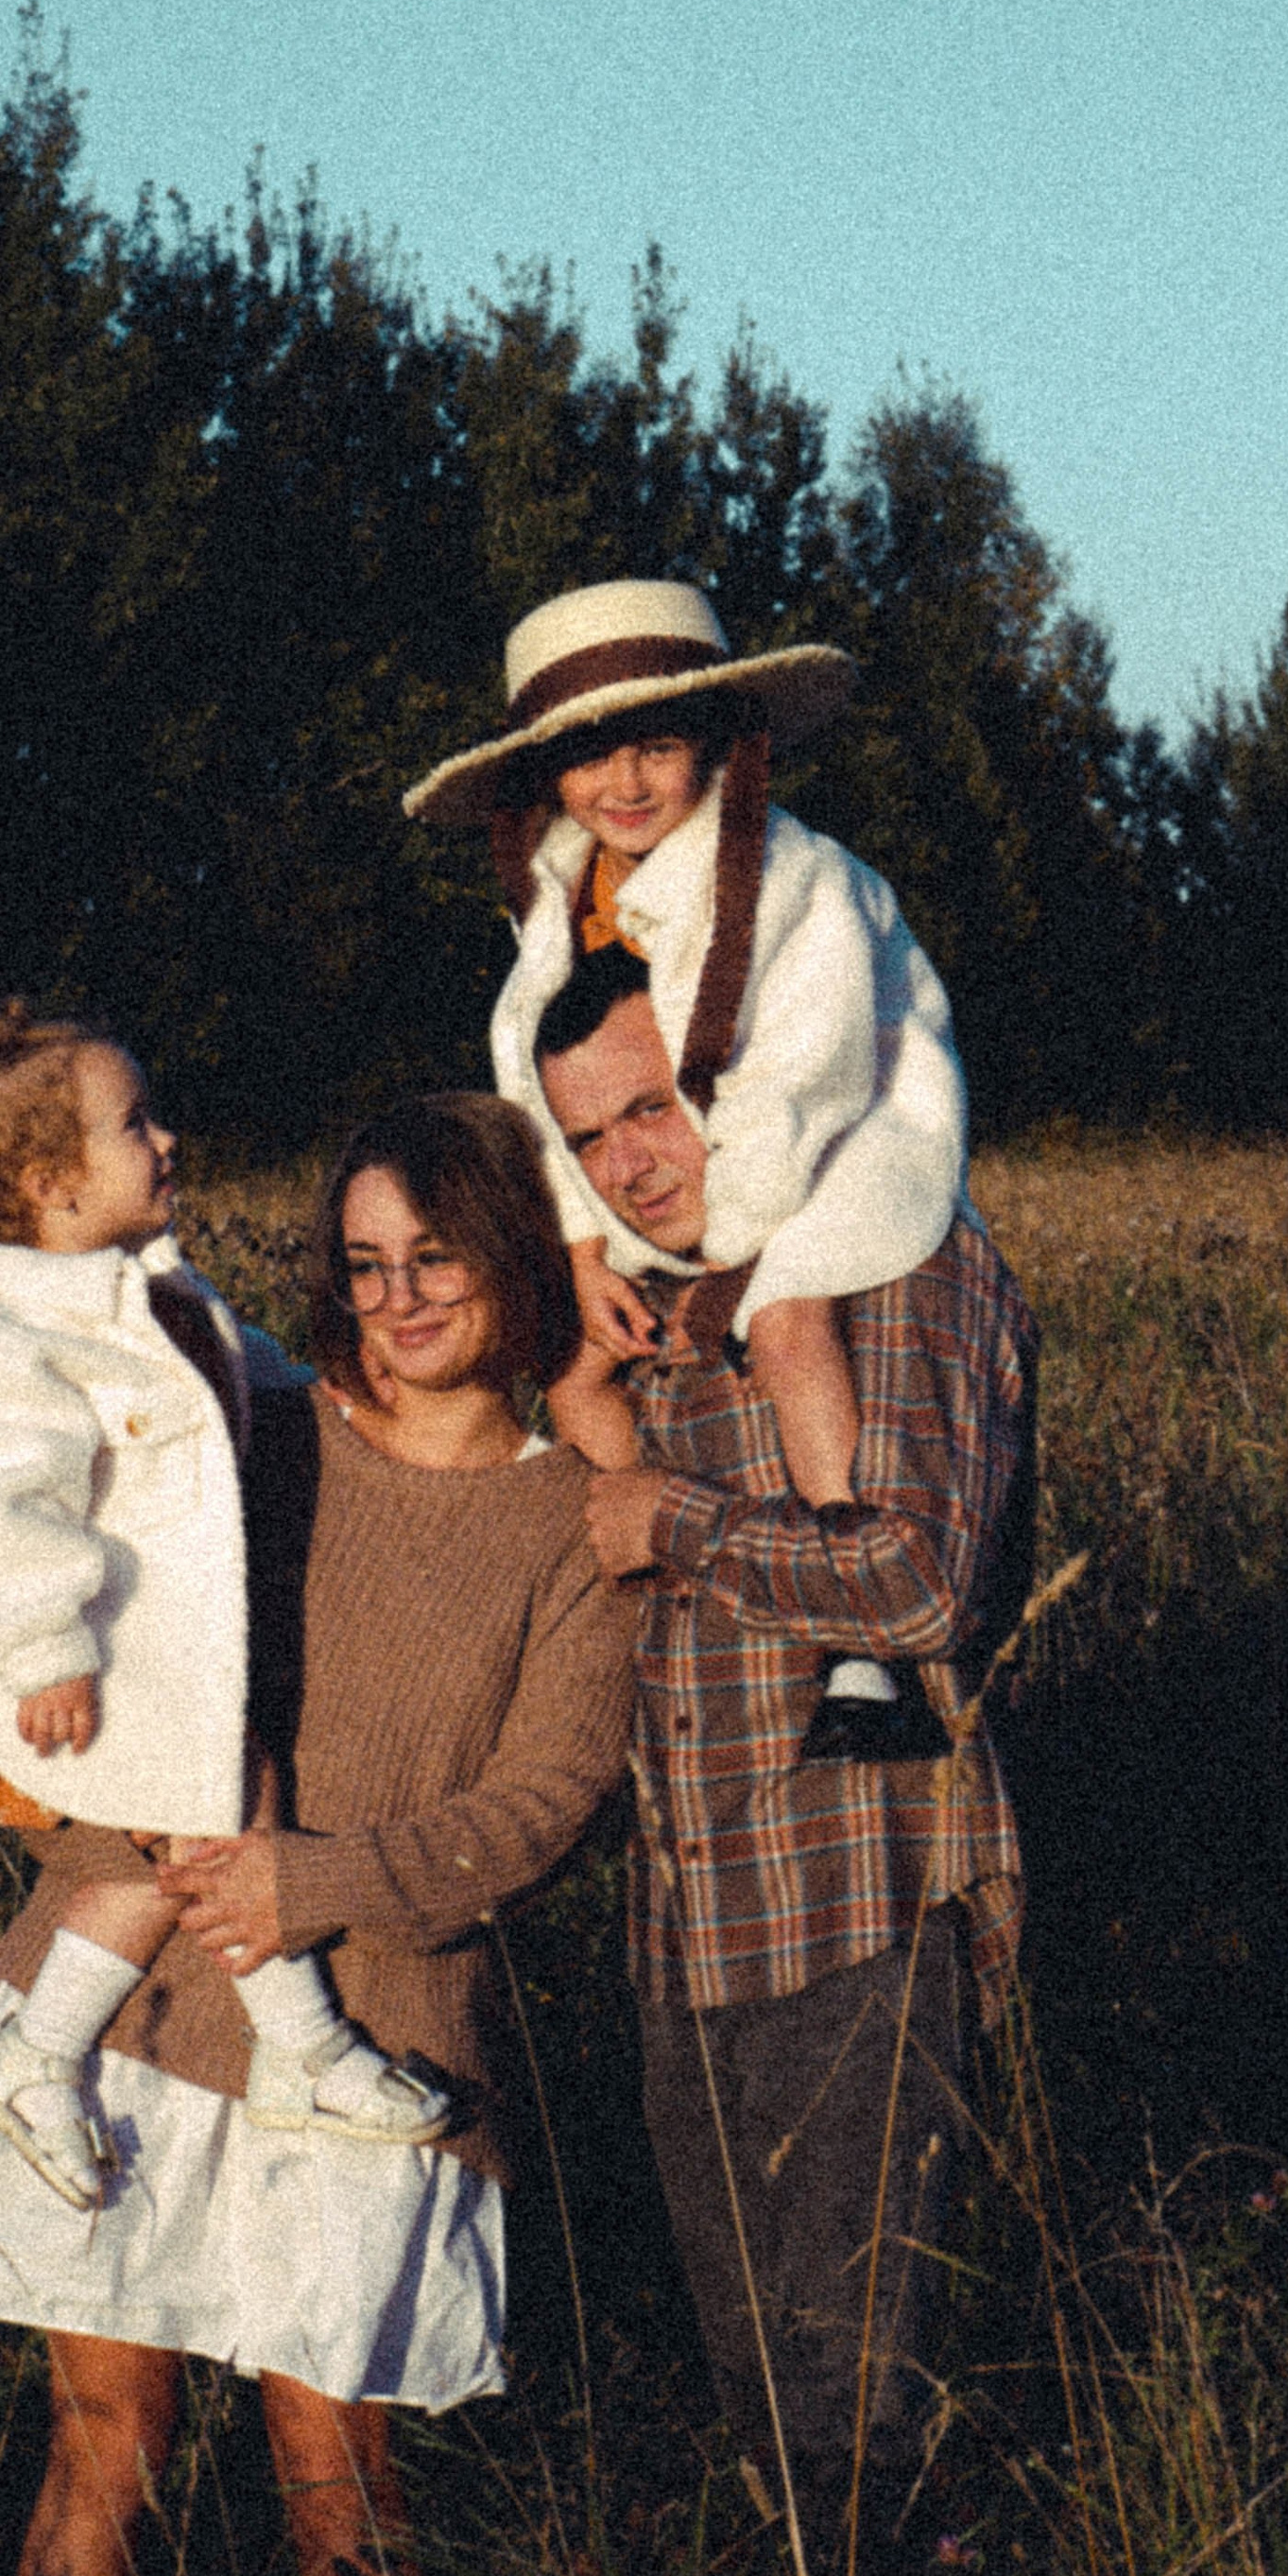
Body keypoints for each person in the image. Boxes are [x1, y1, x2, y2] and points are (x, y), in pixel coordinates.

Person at [0, 1091, 638, 2576]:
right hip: (137, 2009)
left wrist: (315, 1883)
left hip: (377, 2037)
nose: (399, 1298)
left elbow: (547, 1804)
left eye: (437, 1257)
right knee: (109, 2437)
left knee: (336, 2465)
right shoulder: (256, 1437)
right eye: (365, 1263)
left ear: (514, 1256)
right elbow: (45, 1572)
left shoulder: (578, 1516)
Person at [534, 950, 1038, 2576]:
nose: (630, 1163)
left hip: (854, 1916)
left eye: (653, 1108)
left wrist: (670, 1520)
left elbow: (923, 1582)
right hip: (689, 1933)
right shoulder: (651, 1295)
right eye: (589, 1137)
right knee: (761, 2406)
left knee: (864, 2418)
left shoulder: (891, 1253)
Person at [0, 999, 446, 2207]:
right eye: (135, 1125)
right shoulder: (9, 1353)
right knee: (202, 1821)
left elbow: (235, 1385)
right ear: (52, 1187)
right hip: (38, 1677)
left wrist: (325, 1397)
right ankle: (241, 2048)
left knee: (216, 1812)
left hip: (136, 1668)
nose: (168, 1139)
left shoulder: (155, 1298)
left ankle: (162, 2054)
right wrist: (42, 1647)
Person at [404, 577, 966, 1724]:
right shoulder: (563, 895)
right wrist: (579, 1248)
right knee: (574, 1367)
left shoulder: (799, 879)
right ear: (545, 775)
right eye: (589, 758)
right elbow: (534, 1075)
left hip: (843, 1136)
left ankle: (858, 1637)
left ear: (716, 745)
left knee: (789, 1322)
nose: (623, 784)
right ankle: (654, 1575)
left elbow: (805, 1070)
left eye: (656, 748)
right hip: (681, 1158)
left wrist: (732, 1255)